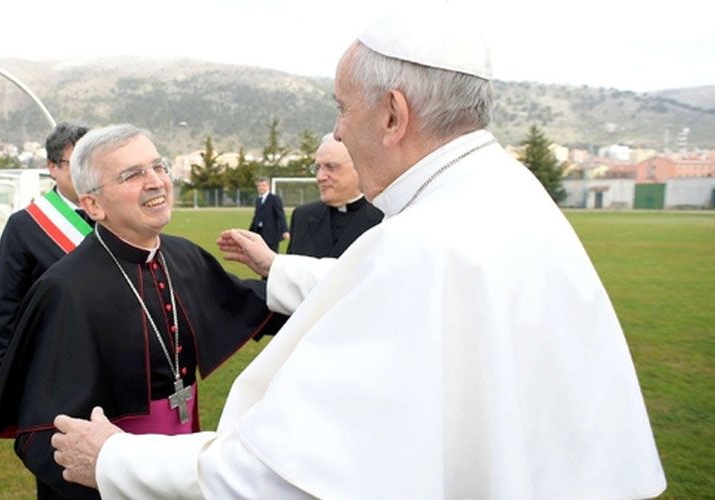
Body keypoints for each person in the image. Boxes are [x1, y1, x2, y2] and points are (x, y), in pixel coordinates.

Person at [49, 5, 666, 499]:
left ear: (394, 114)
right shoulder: (502, 191)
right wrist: (276, 266)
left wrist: (115, 459)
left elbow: (281, 478)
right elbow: (381, 292)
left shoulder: (421, 243)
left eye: (343, 109)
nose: (339, 132)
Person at [0, 124, 280, 499]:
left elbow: (253, 303)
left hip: (182, 456)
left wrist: (318, 290)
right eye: (132, 174)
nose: (155, 182)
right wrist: (111, 473)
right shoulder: (64, 291)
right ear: (93, 205)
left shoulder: (182, 255)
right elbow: (41, 433)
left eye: (158, 167)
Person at [0, 122, 90, 381]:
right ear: (52, 167)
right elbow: (5, 306)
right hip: (52, 361)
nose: (85, 173)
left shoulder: (115, 217)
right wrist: (3, 376)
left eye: (91, 162)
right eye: (75, 163)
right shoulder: (23, 225)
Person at [286, 134, 382, 258]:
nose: (320, 177)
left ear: (359, 166)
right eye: (317, 168)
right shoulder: (302, 217)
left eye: (331, 167)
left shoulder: (385, 218)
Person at [248, 177, 288, 252]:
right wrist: (250, 231)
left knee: (272, 256)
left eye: (263, 185)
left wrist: (285, 230)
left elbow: (281, 215)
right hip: (259, 232)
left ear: (268, 186)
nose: (261, 187)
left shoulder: (274, 198)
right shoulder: (258, 200)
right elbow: (256, 217)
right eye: (259, 186)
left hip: (271, 234)